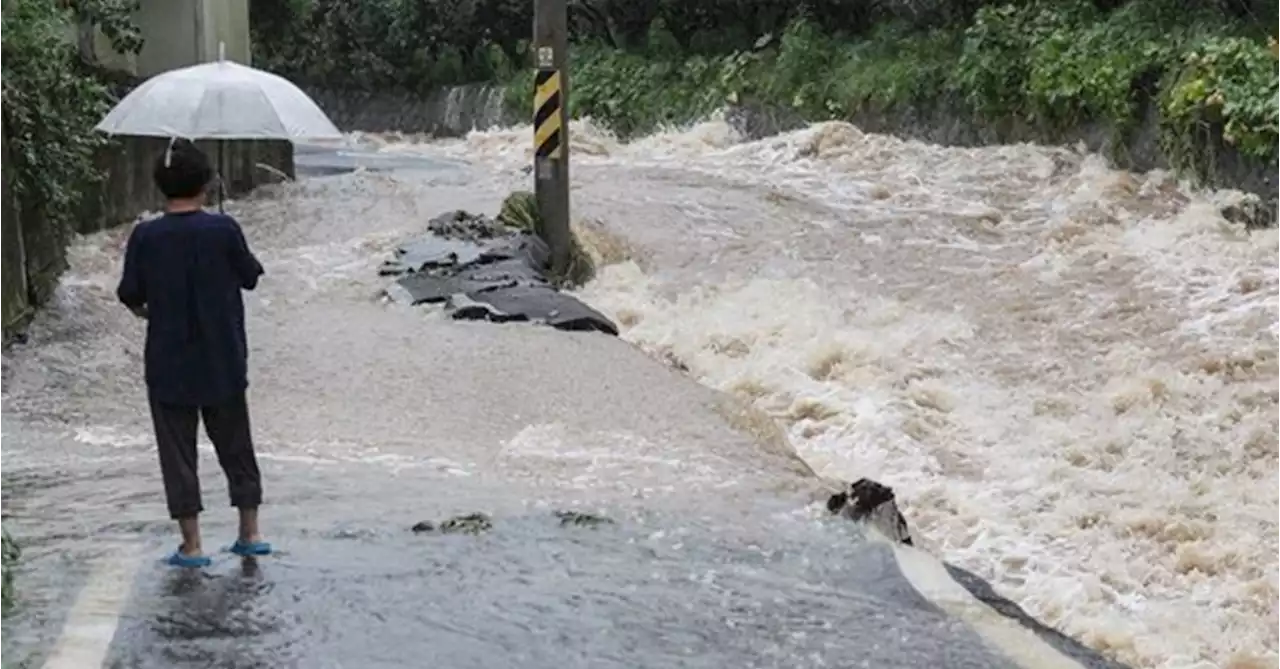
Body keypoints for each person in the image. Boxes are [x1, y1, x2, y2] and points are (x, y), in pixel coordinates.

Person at [116, 138, 271, 568]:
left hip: (168, 363)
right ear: (206, 183)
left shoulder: (146, 235)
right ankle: (250, 531)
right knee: (236, 445)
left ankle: (192, 544)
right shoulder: (224, 229)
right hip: (223, 358)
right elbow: (251, 277)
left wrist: (149, 311)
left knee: (178, 453)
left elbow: (130, 293)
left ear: (160, 186)